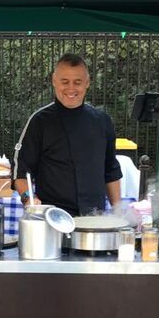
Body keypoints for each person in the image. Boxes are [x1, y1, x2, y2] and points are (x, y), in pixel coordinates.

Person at [13, 54, 122, 216]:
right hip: (53, 218)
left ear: (87, 83)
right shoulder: (39, 121)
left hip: (94, 217)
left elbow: (111, 171)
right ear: (54, 81)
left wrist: (119, 212)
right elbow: (20, 173)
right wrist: (29, 198)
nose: (71, 88)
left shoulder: (102, 121)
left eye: (77, 82)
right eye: (65, 82)